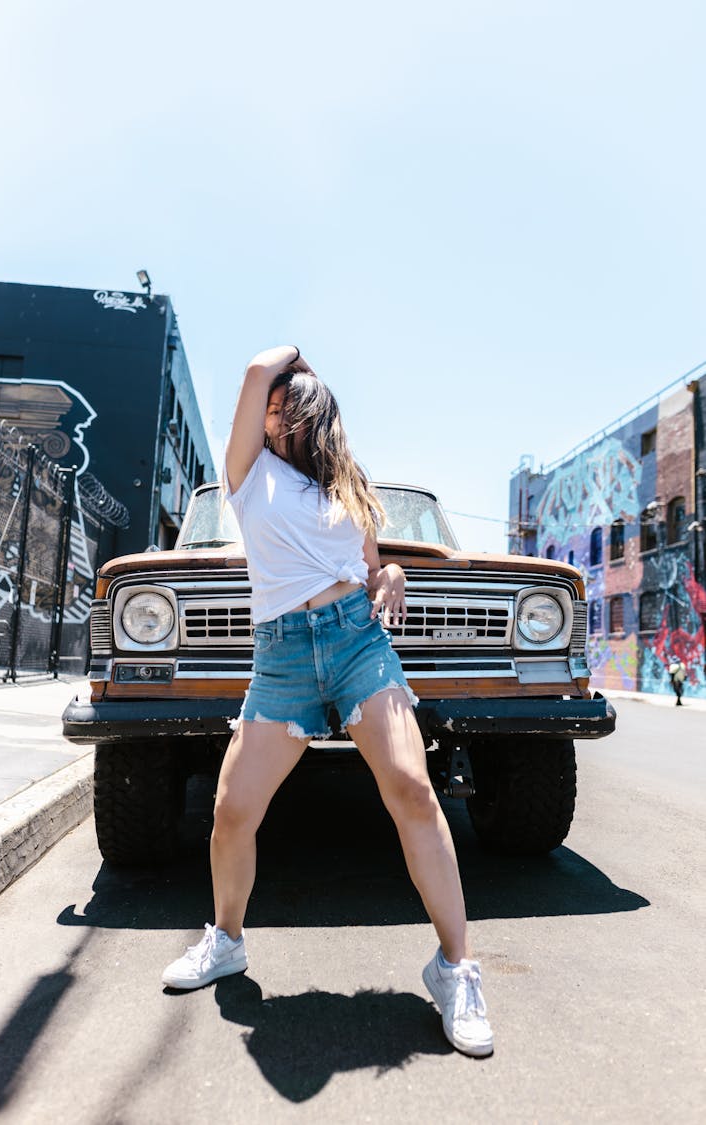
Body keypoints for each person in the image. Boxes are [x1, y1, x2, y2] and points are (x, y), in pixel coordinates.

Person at [162, 345, 493, 1058]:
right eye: (272, 406)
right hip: (281, 655)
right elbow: (257, 370)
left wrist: (395, 574)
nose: (273, 410)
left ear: (314, 417)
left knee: (412, 786)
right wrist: (299, 365)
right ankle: (226, 939)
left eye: (288, 406)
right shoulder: (247, 477)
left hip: (356, 645)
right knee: (231, 812)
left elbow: (370, 569)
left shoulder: (349, 486)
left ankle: (456, 968)